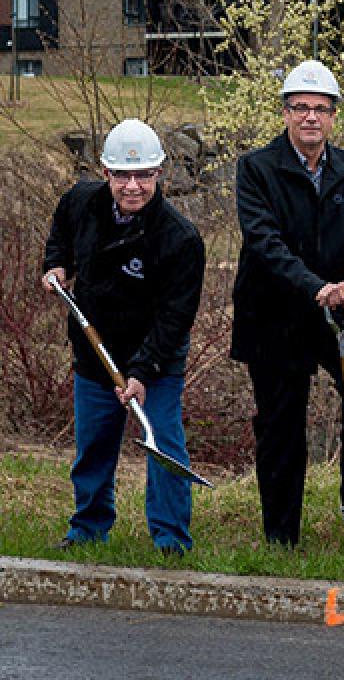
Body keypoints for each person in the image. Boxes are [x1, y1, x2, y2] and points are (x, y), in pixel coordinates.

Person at [231, 59, 344, 547]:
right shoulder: (256, 169)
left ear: (333, 116)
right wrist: (314, 286)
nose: (310, 118)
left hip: (339, 310)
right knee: (281, 425)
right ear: (284, 113)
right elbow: (265, 243)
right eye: (300, 107)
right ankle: (282, 537)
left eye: (320, 109)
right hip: (275, 314)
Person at [42, 118, 205, 556]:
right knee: (93, 445)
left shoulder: (180, 239)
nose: (132, 186)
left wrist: (142, 372)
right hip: (94, 353)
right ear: (106, 172)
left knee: (163, 445)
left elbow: (175, 319)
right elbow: (60, 232)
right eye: (122, 175)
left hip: (157, 360)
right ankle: (89, 528)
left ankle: (171, 539)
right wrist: (57, 264)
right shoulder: (80, 202)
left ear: (159, 174)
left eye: (144, 175)